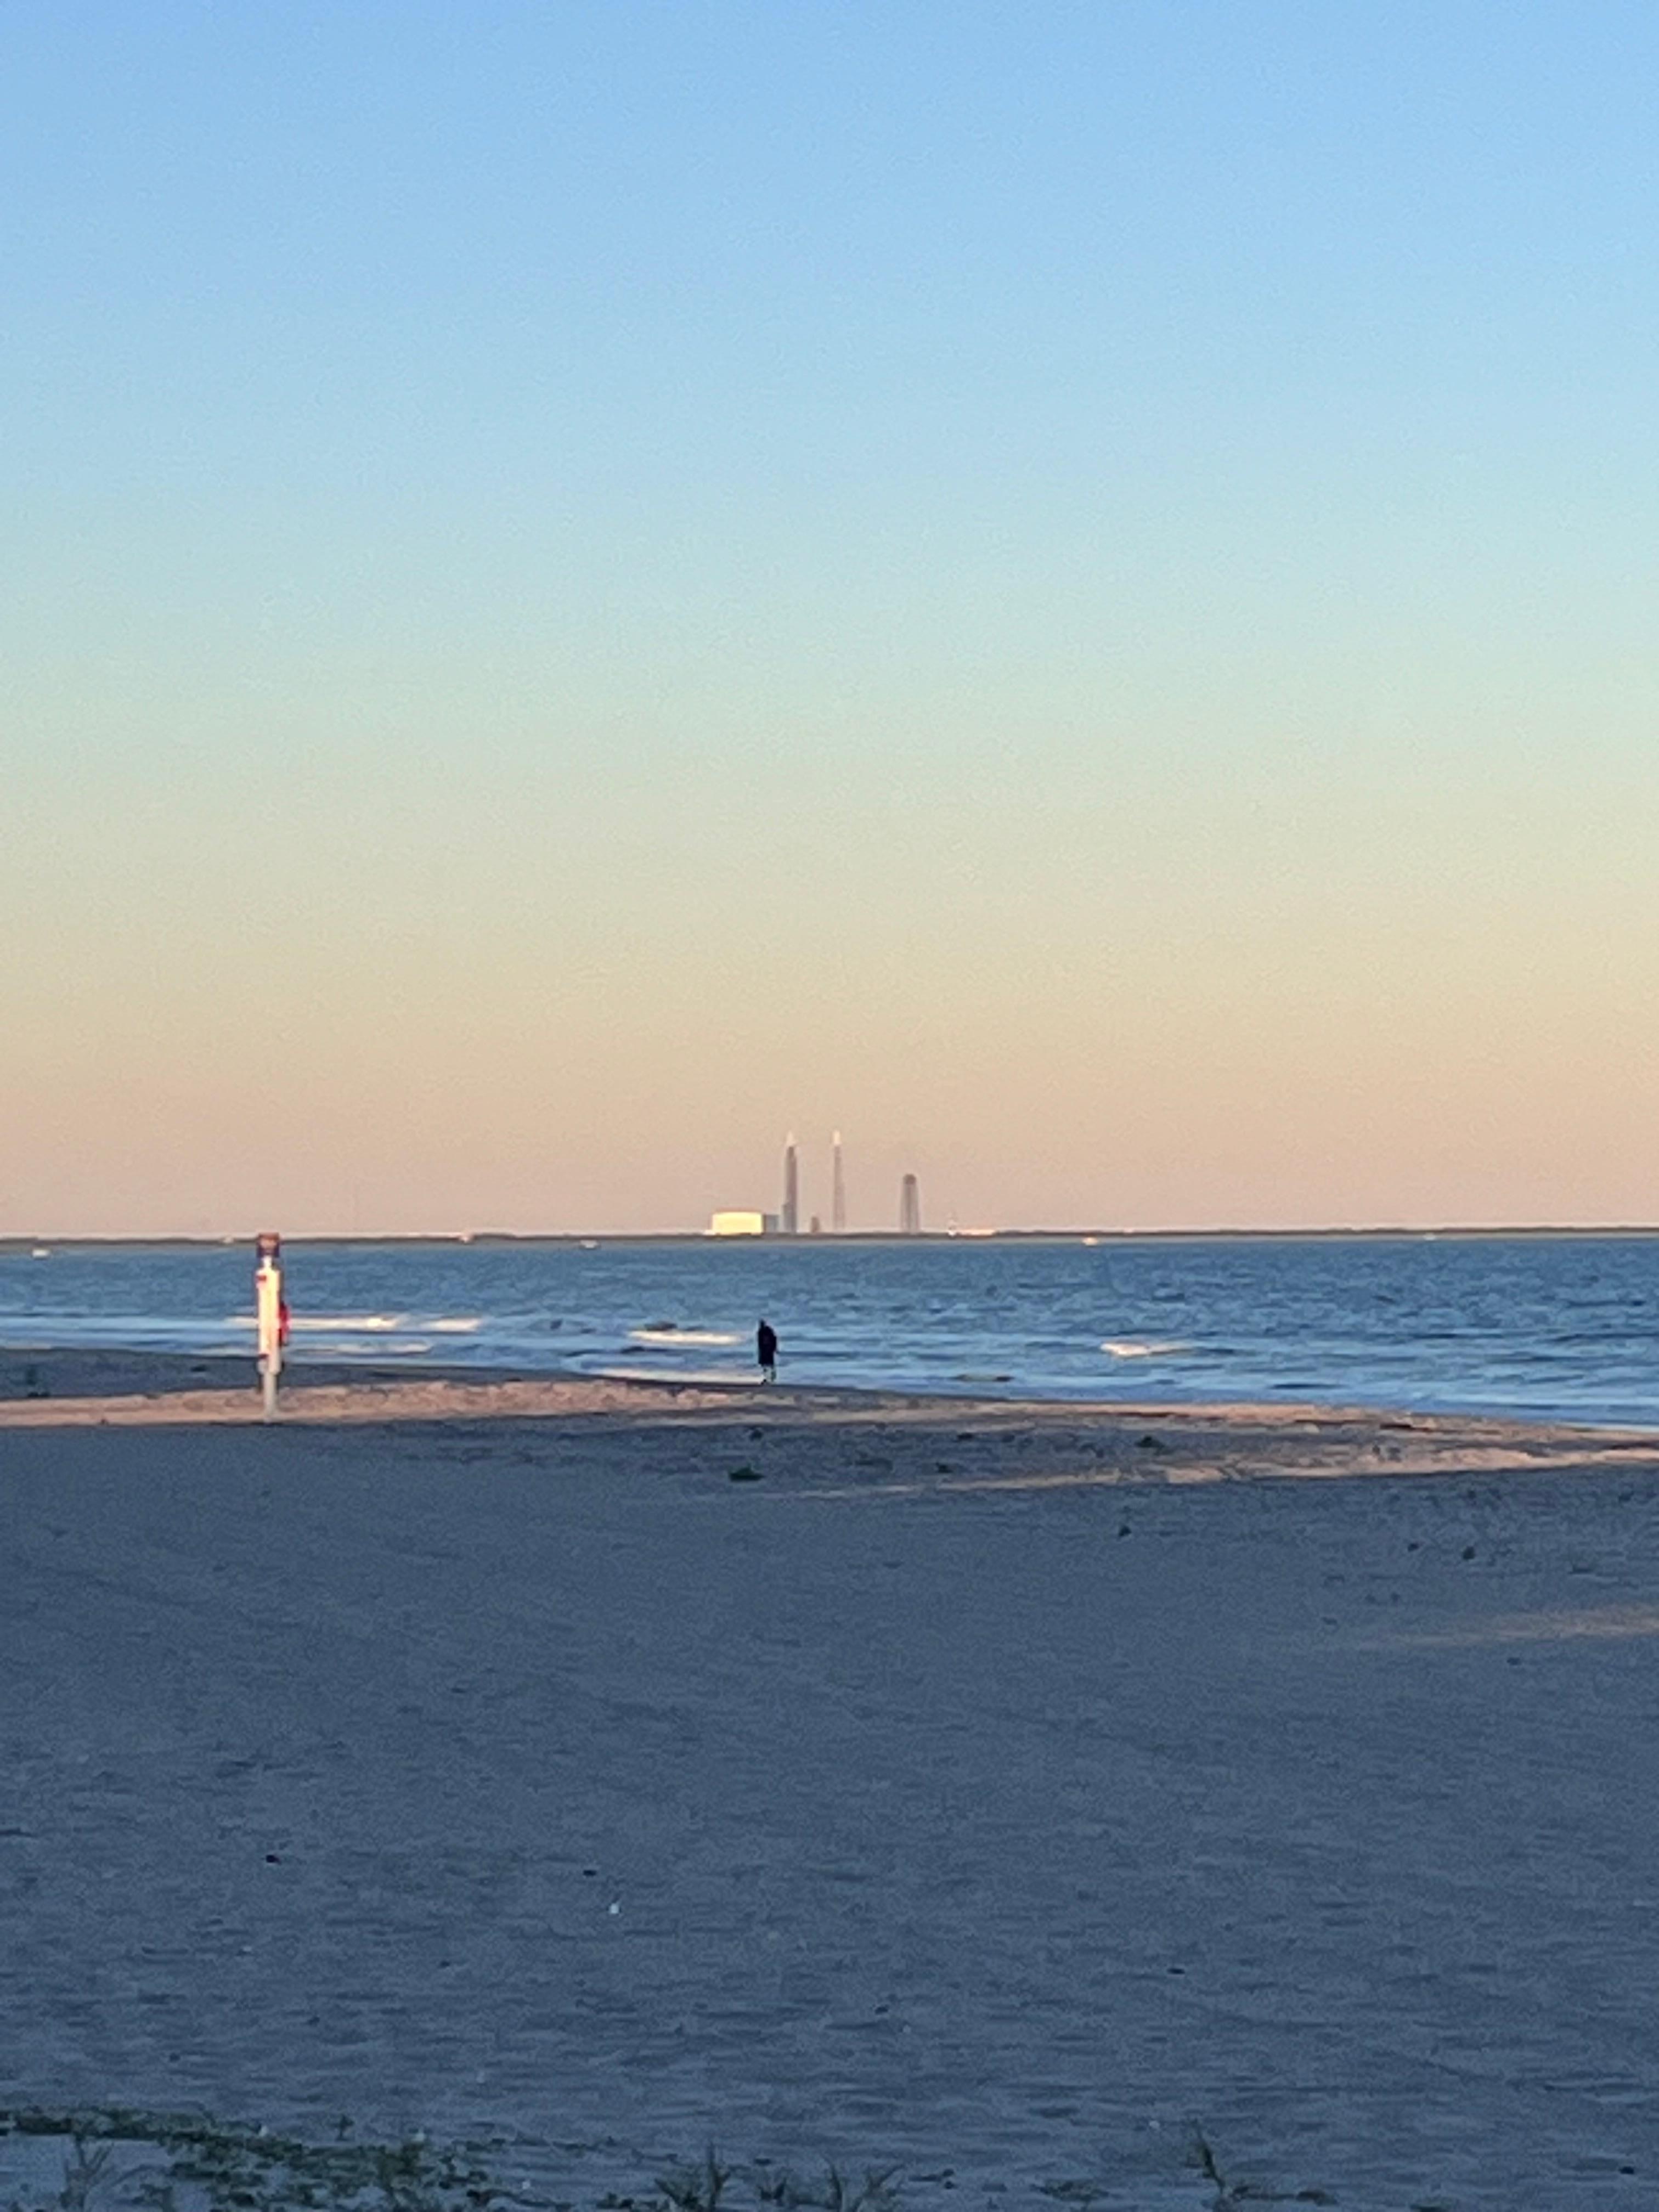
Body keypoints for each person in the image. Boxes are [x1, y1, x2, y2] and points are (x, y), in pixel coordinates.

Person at [757, 1319, 778, 1383]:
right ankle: (768, 1378)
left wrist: (774, 1348)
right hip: (764, 1350)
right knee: (765, 1365)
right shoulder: (760, 1332)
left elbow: (774, 1339)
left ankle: (771, 1378)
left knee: (769, 1364)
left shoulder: (767, 1331)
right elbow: (760, 1343)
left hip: (768, 1349)